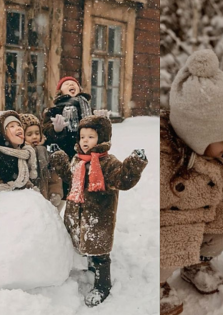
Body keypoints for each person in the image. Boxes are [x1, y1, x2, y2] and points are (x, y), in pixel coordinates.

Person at [160, 50, 223, 315]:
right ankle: (158, 283)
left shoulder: (218, 159)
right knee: (164, 257)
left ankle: (195, 265)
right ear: (195, 135)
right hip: (166, 230)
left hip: (199, 223)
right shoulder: (165, 161)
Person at [62, 114, 148, 307]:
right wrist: (60, 162)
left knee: (100, 254)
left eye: (91, 137)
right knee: (83, 242)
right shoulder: (77, 160)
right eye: (82, 137)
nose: (85, 141)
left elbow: (122, 180)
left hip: (99, 216)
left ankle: (103, 285)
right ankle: (90, 262)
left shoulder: (108, 163)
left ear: (102, 139)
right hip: (77, 213)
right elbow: (69, 179)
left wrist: (134, 164)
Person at [19, 113, 68, 212]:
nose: (34, 137)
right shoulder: (21, 153)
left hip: (45, 200)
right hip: (27, 201)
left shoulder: (45, 151)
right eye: (29, 134)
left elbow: (54, 176)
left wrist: (55, 192)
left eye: (37, 133)